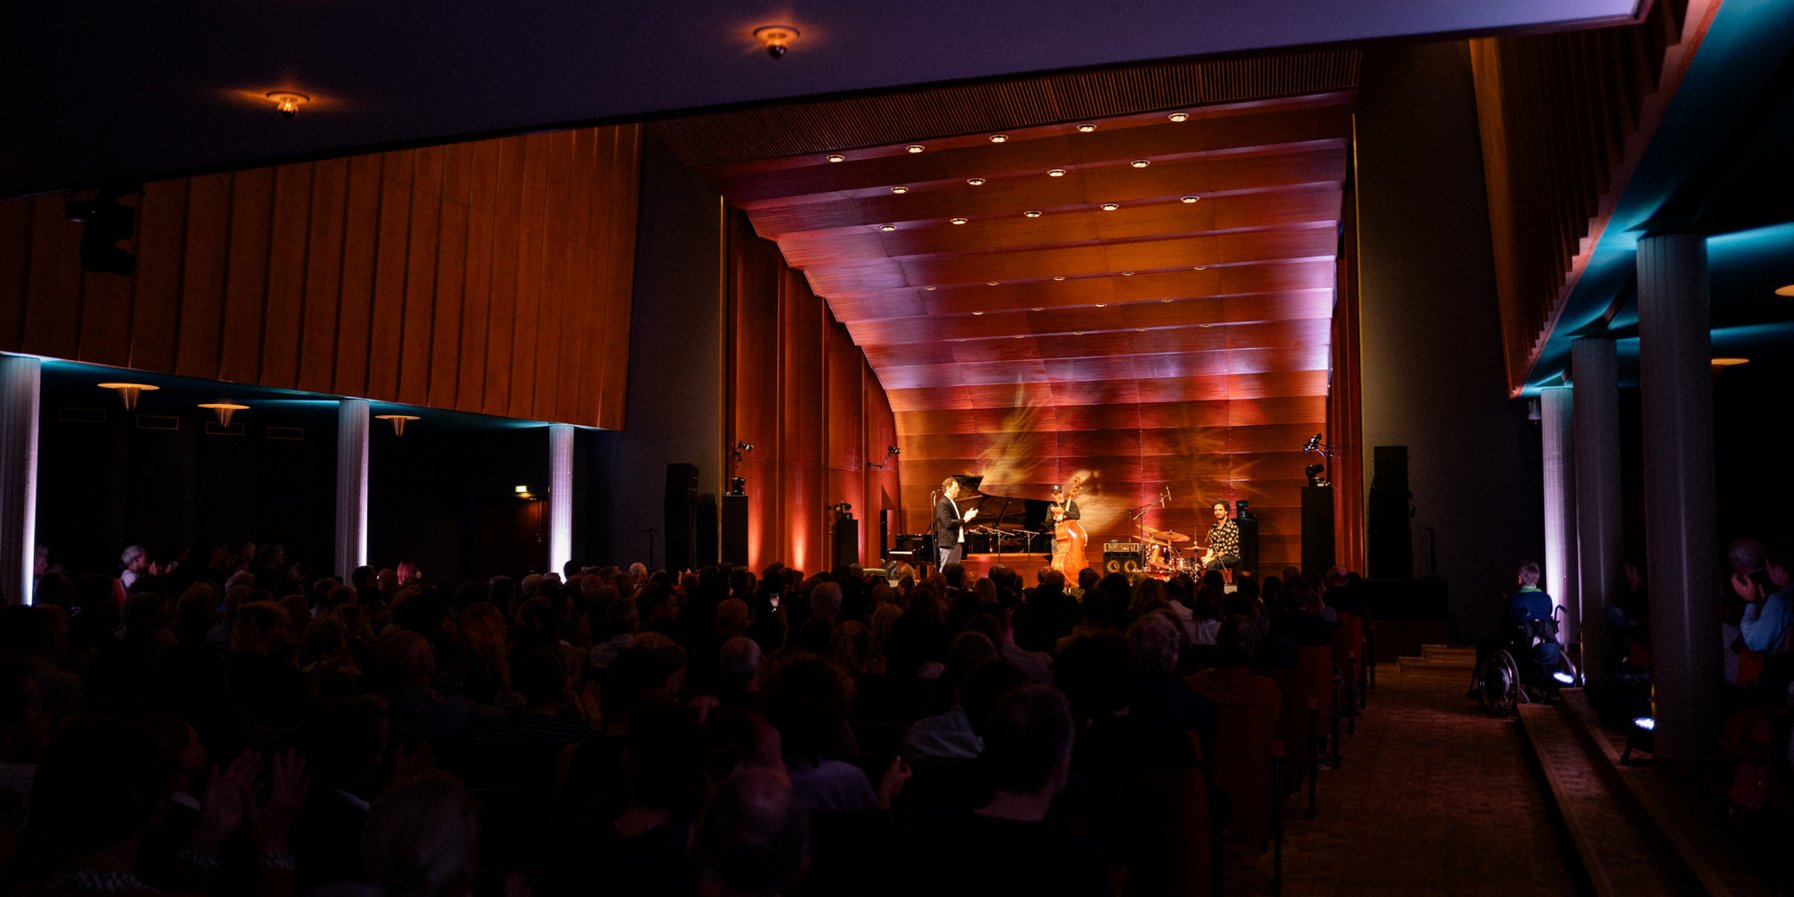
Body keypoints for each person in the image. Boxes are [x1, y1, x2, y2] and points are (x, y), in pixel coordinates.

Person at [932, 478, 978, 570]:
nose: (959, 490)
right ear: (948, 488)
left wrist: (967, 517)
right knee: (945, 570)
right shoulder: (942, 503)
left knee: (955, 570)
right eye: (956, 487)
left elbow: (960, 522)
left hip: (957, 542)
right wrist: (965, 519)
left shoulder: (955, 504)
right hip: (948, 543)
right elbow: (948, 523)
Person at [1048, 478, 1089, 577]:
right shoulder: (1051, 506)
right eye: (1056, 494)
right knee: (1057, 568)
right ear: (1052, 495)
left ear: (1062, 492)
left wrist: (1064, 512)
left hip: (1072, 540)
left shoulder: (1071, 504)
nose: (1059, 495)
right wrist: (1054, 518)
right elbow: (1047, 523)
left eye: (1060, 492)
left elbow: (1077, 515)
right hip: (1057, 540)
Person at [1200, 501, 1239, 573]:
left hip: (1231, 555)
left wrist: (1210, 559)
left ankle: (1213, 584)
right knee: (1198, 563)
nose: (1217, 512)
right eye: (1215, 510)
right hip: (1217, 556)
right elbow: (1211, 547)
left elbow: (1226, 550)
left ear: (1226, 511)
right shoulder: (1214, 527)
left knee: (1211, 564)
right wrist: (1207, 558)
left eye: (1220, 510)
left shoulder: (1232, 526)